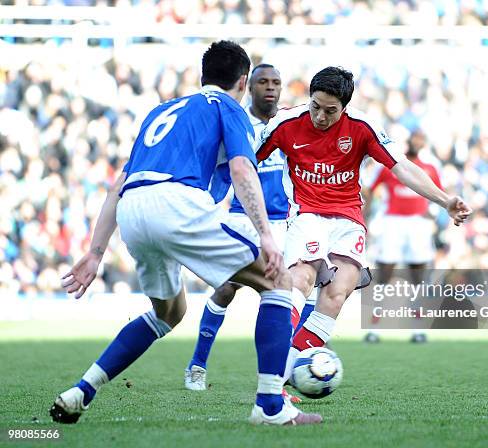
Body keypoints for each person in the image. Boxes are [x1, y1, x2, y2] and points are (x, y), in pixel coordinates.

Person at [50, 41, 321, 426]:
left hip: (133, 210)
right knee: (279, 279)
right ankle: (270, 407)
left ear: (202, 77)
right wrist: (266, 235)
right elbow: (243, 170)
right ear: (243, 82)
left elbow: (118, 186)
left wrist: (95, 252)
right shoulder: (228, 107)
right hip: (175, 203)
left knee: (169, 312)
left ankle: (82, 390)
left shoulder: (161, 112)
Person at [255, 66, 472, 382]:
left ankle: (287, 368)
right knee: (301, 280)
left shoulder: (362, 127)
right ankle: (275, 374)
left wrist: (444, 200)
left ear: (344, 107)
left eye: (330, 111)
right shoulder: (286, 124)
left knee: (337, 292)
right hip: (306, 215)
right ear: (309, 98)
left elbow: (402, 167)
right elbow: (245, 160)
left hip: (347, 219)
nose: (321, 117)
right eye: (316, 106)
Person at [183, 64, 313, 402]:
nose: (270, 88)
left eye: (276, 82)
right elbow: (223, 171)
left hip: (286, 220)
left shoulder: (290, 124)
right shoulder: (235, 121)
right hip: (245, 218)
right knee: (227, 288)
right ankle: (197, 364)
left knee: (297, 291)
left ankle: (282, 377)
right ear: (248, 86)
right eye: (262, 82)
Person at [362, 130, 443, 343]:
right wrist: (365, 217)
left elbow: (439, 193)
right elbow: (369, 189)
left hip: (418, 224)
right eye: (414, 139)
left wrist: (432, 215)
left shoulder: (430, 169)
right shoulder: (392, 166)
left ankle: (417, 328)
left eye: (421, 139)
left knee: (418, 276)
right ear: (407, 142)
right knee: (384, 274)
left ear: (423, 143)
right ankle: (374, 327)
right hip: (392, 222)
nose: (417, 142)